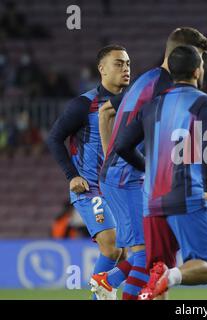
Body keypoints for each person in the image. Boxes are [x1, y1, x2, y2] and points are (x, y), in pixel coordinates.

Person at [90, 27, 207, 300]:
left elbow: (106, 111)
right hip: (126, 177)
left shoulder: (149, 78)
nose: (200, 66)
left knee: (156, 251)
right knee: (148, 255)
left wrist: (111, 158)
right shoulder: (166, 86)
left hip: (123, 174)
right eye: (199, 58)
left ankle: (108, 280)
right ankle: (110, 283)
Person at [115, 45, 207, 300]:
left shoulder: (152, 105)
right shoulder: (205, 102)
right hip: (187, 195)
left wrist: (148, 167)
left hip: (152, 199)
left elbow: (121, 146)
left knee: (155, 274)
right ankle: (171, 276)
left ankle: (163, 276)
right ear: (197, 70)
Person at [46, 44, 130, 299]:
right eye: (118, 63)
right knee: (112, 245)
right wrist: (72, 176)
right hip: (90, 188)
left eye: (128, 63)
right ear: (102, 69)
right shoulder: (84, 104)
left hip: (119, 189)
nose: (126, 68)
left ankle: (104, 291)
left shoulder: (134, 103)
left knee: (127, 253)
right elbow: (54, 138)